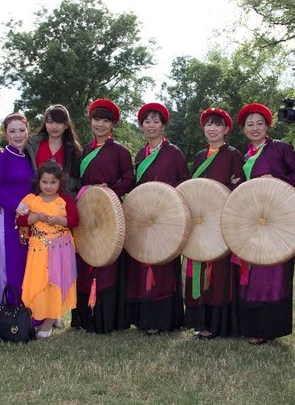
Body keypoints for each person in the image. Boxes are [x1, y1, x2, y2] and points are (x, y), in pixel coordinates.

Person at [235, 103, 295, 345]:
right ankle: (249, 325)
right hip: (253, 220)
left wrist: (277, 179)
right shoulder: (245, 155)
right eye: (249, 124)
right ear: (244, 129)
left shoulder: (280, 148)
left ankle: (267, 328)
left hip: (278, 220)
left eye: (259, 123)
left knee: (271, 274)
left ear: (267, 126)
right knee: (252, 270)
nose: (254, 128)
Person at [125, 102, 189, 334]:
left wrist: (167, 198)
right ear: (142, 126)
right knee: (143, 262)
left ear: (163, 126)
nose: (151, 125)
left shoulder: (173, 152)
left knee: (164, 265)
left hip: (167, 217)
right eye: (147, 121)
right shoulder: (141, 154)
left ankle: (165, 319)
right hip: (145, 218)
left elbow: (184, 180)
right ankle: (145, 318)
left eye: (156, 121)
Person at [72, 99, 135, 333]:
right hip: (87, 209)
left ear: (112, 125)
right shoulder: (84, 149)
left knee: (107, 260)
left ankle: (107, 319)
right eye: (96, 119)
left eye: (105, 120)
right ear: (90, 121)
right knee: (86, 256)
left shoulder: (120, 150)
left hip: (110, 211)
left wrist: (110, 191)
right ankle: (83, 317)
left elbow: (130, 178)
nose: (100, 124)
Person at [184, 107, 244, 340]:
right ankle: (200, 322)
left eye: (217, 125)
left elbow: (238, 187)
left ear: (226, 129)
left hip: (221, 221)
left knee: (219, 273)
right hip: (200, 221)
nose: (212, 129)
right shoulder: (199, 156)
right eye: (209, 124)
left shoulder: (233, 154)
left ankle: (219, 324)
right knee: (197, 267)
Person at [18, 161, 79, 339]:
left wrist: (60, 220)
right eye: (45, 182)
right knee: (39, 284)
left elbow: (75, 220)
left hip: (60, 250)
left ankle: (49, 322)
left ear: (60, 183)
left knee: (55, 284)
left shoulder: (64, 200)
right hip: (37, 250)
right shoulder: (31, 200)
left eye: (53, 182)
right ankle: (41, 318)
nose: (49, 186)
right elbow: (19, 220)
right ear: (38, 182)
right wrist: (34, 217)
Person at [0, 113, 34, 304]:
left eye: (21, 130)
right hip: (6, 218)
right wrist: (15, 205)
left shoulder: (27, 158)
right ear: (5, 134)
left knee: (24, 264)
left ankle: (24, 310)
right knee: (8, 264)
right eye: (12, 131)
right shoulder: (1, 157)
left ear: (27, 131)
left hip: (27, 220)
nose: (18, 135)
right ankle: (6, 310)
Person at [24, 104, 82, 198]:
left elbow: (78, 183)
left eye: (59, 123)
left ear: (66, 125)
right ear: (45, 124)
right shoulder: (31, 146)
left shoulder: (74, 151)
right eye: (50, 122)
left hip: (63, 206)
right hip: (35, 203)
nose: (54, 126)